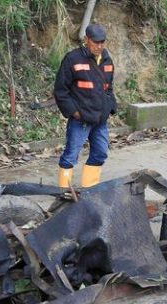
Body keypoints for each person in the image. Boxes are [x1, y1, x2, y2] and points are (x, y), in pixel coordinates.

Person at [53, 24, 117, 189]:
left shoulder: (107, 59)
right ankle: (63, 192)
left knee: (100, 153)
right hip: (81, 119)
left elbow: (108, 87)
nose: (99, 46)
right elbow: (61, 91)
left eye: (102, 42)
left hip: (100, 119)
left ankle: (90, 189)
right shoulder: (72, 59)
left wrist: (110, 106)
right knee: (70, 156)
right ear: (86, 40)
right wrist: (74, 112)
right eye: (96, 42)